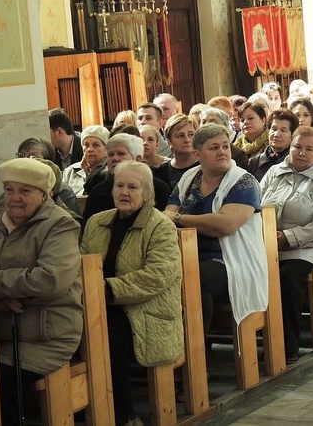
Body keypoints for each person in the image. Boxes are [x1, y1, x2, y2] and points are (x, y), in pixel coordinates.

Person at [0, 158, 84, 425]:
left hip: (45, 335)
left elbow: (50, 279)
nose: (15, 199)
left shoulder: (60, 224)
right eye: (10, 190)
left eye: (25, 191)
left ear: (44, 195)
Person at [82, 161, 183, 426]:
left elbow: (157, 276)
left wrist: (109, 289)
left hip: (144, 308)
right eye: (119, 185)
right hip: (97, 303)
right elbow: (80, 264)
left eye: (132, 187)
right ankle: (85, 406)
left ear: (147, 194)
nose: (124, 192)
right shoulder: (96, 222)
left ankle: (123, 415)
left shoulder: (160, 226)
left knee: (108, 338)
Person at [164, 124, 268, 341]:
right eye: (214, 148)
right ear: (197, 154)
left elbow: (225, 224)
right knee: (160, 277)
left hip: (232, 261)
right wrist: (179, 218)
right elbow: (167, 215)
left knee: (196, 279)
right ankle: (167, 351)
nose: (222, 152)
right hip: (187, 256)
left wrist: (181, 218)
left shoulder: (244, 181)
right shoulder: (189, 179)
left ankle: (196, 356)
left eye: (225, 146)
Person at [260, 126, 313, 362]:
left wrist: (289, 237)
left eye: (309, 149)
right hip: (271, 247)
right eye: (297, 147)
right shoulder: (275, 172)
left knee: (286, 277)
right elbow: (256, 205)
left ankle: (287, 345)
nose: (301, 153)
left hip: (310, 249)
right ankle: (259, 338)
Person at [83, 134, 171, 222]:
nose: (114, 159)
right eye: (110, 154)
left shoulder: (159, 189)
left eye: (121, 154)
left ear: (138, 159)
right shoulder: (98, 192)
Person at [248, 109, 299, 181]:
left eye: (283, 130)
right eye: (274, 129)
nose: (277, 134)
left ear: (292, 135)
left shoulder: (296, 164)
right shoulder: (255, 162)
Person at [153, 114, 199, 189]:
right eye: (180, 136)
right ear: (169, 141)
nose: (187, 140)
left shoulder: (207, 168)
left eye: (191, 135)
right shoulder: (159, 174)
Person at [63, 125, 110, 195]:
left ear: (106, 148)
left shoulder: (110, 172)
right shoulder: (70, 172)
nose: (90, 149)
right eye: (86, 145)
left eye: (96, 145)